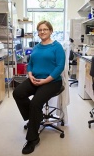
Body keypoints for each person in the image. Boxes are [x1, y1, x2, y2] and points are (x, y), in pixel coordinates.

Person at [13, 20, 66, 154]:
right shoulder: (36, 47)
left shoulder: (57, 47)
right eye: (40, 30)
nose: (42, 32)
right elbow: (30, 64)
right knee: (18, 93)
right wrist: (30, 75)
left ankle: (33, 139)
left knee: (35, 103)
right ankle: (34, 118)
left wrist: (45, 81)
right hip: (35, 78)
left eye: (45, 29)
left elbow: (60, 67)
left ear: (51, 31)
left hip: (52, 81)